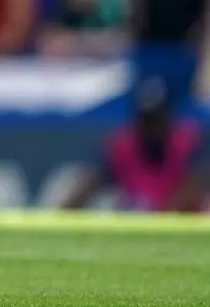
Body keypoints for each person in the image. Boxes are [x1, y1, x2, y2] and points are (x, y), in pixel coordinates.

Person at [61, 79, 205, 212]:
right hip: (137, 214)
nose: (153, 128)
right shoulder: (123, 146)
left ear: (169, 118)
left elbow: (197, 185)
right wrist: (65, 213)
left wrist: (162, 215)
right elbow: (92, 180)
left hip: (183, 221)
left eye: (157, 120)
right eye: (147, 121)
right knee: (99, 196)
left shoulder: (189, 141)